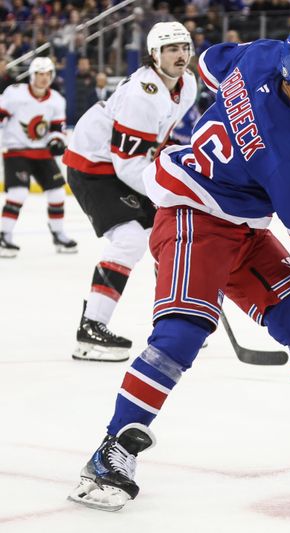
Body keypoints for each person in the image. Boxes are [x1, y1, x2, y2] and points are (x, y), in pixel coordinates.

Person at [67, 23, 290, 512]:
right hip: (192, 213)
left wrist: (248, 132)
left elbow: (210, 63)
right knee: (182, 333)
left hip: (242, 223)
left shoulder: (266, 55)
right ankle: (110, 452)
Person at [63, 22, 197, 362]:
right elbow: (127, 166)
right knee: (131, 239)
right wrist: (168, 192)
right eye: (170, 49)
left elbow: (154, 140)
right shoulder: (142, 94)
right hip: (93, 165)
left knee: (167, 234)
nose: (179, 55)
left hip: (121, 162)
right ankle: (91, 330)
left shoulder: (188, 85)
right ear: (154, 55)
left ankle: (174, 321)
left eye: (183, 47)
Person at [0, 57, 75, 258]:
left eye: (47, 74)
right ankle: (4, 235)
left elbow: (57, 128)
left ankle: (58, 233)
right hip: (16, 150)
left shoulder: (57, 100)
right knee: (18, 193)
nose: (43, 78)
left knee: (58, 194)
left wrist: (57, 140)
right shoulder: (15, 93)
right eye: (40, 74)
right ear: (32, 75)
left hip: (42, 152)